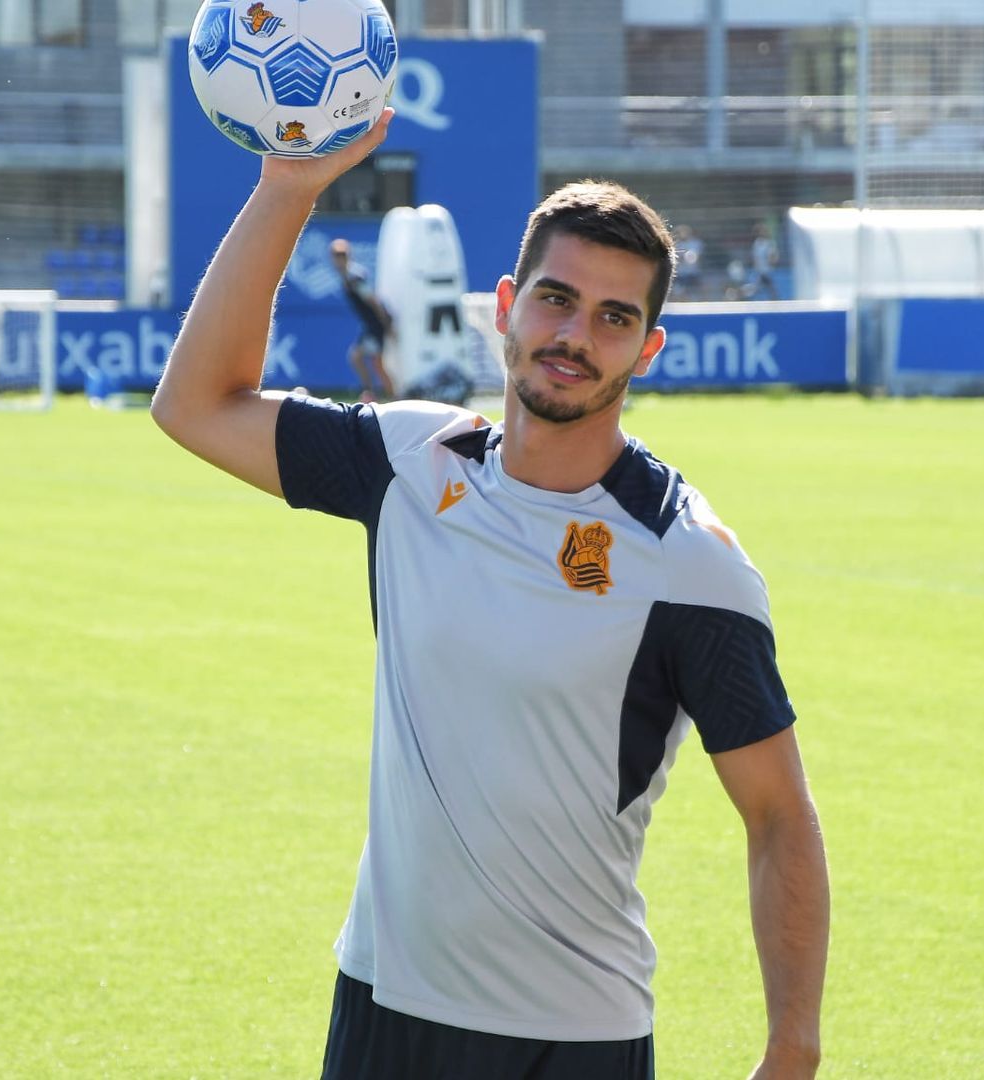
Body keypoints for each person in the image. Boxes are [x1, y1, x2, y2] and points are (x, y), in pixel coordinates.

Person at [152, 110, 829, 1080]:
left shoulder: (690, 563)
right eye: (556, 300)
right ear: (506, 305)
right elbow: (195, 405)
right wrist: (287, 190)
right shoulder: (410, 463)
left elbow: (779, 816)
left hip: (573, 1040)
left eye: (614, 318)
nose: (574, 336)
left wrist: (792, 1051)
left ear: (650, 350)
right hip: (385, 1009)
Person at [330, 236, 394, 402]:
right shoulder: (346, 276)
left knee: (370, 361)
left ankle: (390, 397)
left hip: (375, 324)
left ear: (348, 256)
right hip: (370, 324)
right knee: (364, 359)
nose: (339, 259)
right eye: (336, 255)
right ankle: (375, 394)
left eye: (342, 255)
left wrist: (385, 324)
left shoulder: (354, 277)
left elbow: (373, 301)